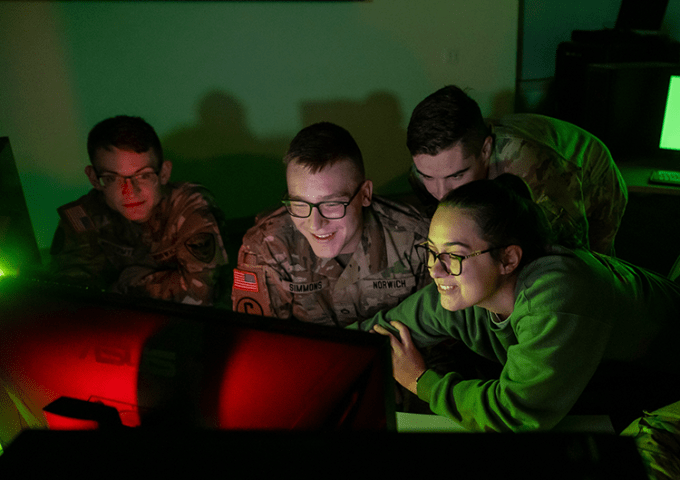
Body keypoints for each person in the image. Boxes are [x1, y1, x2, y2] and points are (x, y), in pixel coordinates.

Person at [352, 174, 680, 433]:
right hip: (597, 382)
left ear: (508, 258)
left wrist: (421, 382)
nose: (434, 269)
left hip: (662, 381)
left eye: (453, 255)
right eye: (431, 250)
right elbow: (378, 334)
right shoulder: (463, 289)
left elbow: (514, 414)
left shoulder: (558, 296)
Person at [232, 122, 431, 327]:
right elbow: (262, 343)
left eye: (331, 204)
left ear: (365, 194)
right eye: (300, 204)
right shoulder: (268, 246)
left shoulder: (416, 238)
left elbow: (441, 341)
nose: (315, 223)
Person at [406, 84, 627, 255]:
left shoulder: (528, 166)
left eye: (456, 175)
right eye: (428, 177)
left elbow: (571, 247)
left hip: (589, 172)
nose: (443, 193)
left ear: (485, 150)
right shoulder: (421, 171)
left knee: (593, 267)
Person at [50, 115, 229, 306]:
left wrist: (128, 283)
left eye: (143, 176)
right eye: (113, 178)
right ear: (94, 179)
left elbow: (201, 295)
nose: (130, 192)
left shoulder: (188, 207)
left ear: (164, 173)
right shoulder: (83, 217)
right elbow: (69, 298)